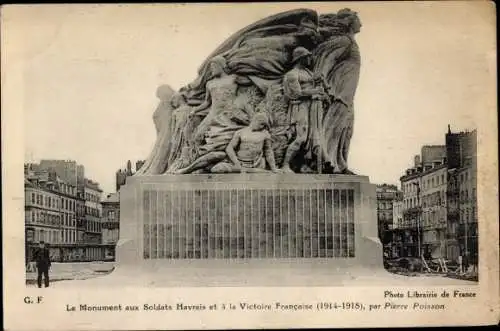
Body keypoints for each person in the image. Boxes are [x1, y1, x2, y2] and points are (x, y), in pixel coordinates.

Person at [174, 112, 279, 174]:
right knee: (214, 155)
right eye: (261, 124)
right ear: (255, 121)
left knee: (216, 169)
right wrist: (236, 163)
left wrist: (274, 168)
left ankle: (209, 167)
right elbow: (229, 148)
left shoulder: (265, 135)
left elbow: (268, 151)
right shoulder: (241, 132)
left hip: (252, 165)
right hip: (236, 162)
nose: (262, 127)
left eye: (264, 125)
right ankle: (186, 170)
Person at [281, 46, 327, 173]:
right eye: (307, 57)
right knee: (301, 138)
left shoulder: (308, 72)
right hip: (300, 108)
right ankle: (285, 165)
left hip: (312, 108)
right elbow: (296, 93)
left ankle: (303, 166)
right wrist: (315, 91)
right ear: (301, 58)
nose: (309, 59)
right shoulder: (292, 74)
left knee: (310, 139)